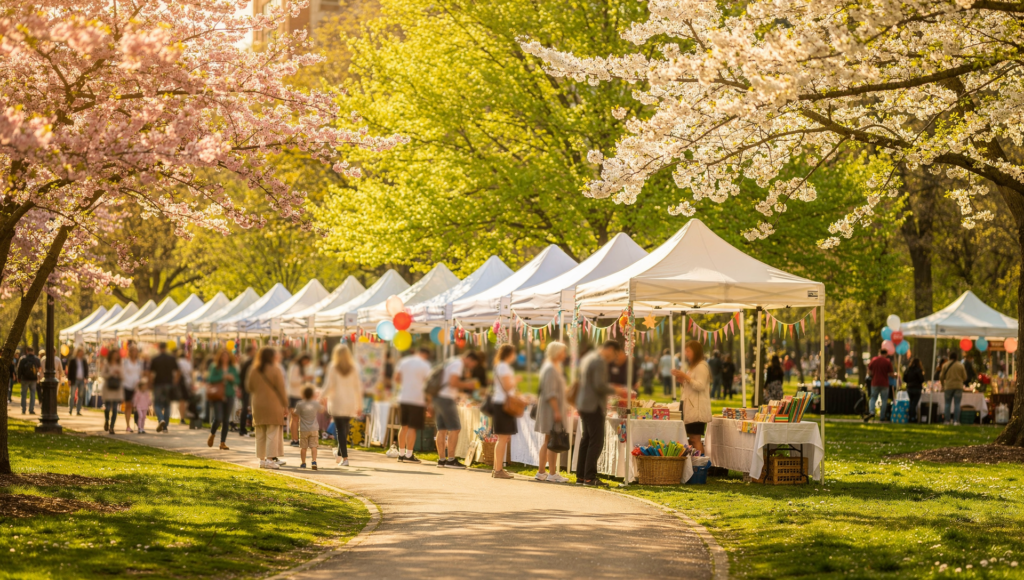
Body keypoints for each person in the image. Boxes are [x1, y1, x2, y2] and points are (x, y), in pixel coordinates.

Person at [575, 341, 627, 487]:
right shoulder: (599, 361)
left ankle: (581, 476)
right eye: (615, 354)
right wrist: (616, 390)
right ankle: (590, 477)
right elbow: (599, 385)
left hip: (584, 403)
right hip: (593, 405)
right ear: (610, 349)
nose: (614, 359)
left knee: (586, 439)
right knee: (596, 441)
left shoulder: (588, 357)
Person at [433, 351, 481, 469]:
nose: (471, 367)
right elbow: (453, 382)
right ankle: (451, 460)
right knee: (455, 428)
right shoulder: (458, 364)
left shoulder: (452, 361)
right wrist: (468, 385)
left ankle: (442, 460)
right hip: (446, 399)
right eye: (473, 364)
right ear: (470, 359)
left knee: (442, 429)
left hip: (438, 397)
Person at [321, 344, 362, 467]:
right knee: (344, 429)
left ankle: (345, 458)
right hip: (349, 402)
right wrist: (359, 405)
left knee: (340, 431)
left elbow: (329, 385)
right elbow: (357, 388)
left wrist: (321, 396)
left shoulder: (333, 367)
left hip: (337, 402)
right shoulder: (354, 368)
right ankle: (339, 455)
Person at [248, 347, 288, 469]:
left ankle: (261, 460)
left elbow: (249, 386)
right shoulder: (275, 369)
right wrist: (285, 405)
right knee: (272, 432)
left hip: (258, 404)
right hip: (273, 404)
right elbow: (281, 388)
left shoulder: (254, 370)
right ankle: (270, 459)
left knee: (260, 432)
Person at [534, 341, 569, 483]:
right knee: (551, 439)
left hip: (550, 407)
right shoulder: (550, 368)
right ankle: (552, 473)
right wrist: (556, 411)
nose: (565, 355)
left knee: (548, 439)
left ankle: (542, 471)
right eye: (563, 352)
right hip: (550, 408)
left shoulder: (553, 367)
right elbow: (550, 392)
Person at [671, 340, 713, 454]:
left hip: (696, 410)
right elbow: (690, 386)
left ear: (695, 352)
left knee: (695, 439)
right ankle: (695, 464)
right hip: (689, 406)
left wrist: (685, 376)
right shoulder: (693, 367)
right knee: (690, 439)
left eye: (688, 351)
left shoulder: (701, 367)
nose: (686, 353)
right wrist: (682, 380)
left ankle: (702, 465)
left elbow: (700, 386)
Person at [394, 347, 432, 463]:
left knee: (404, 426)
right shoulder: (425, 365)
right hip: (417, 399)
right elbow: (428, 384)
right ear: (426, 355)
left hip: (403, 397)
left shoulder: (404, 361)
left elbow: (397, 378)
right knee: (412, 427)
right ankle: (409, 454)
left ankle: (400, 454)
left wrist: (406, 386)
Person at [490, 344, 520, 480]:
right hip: (503, 405)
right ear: (509, 354)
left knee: (503, 437)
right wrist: (516, 380)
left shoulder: (500, 366)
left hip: (501, 403)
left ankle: (497, 468)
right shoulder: (503, 366)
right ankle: (498, 469)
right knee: (503, 438)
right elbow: (508, 386)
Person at [206, 348, 239, 450]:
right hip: (218, 395)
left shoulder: (232, 368)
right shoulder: (214, 367)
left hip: (229, 394)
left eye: (227, 356)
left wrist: (232, 378)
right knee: (218, 417)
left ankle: (222, 442)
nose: (225, 358)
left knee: (226, 420)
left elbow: (238, 380)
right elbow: (210, 379)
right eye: (223, 356)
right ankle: (212, 434)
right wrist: (223, 376)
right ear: (220, 357)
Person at [148, 342, 180, 433]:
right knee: (167, 405)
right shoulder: (171, 358)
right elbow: (178, 371)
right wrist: (175, 381)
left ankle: (161, 419)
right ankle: (165, 426)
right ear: (166, 348)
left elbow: (150, 373)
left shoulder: (155, 359)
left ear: (159, 348)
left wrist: (151, 382)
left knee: (157, 404)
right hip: (169, 384)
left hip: (158, 383)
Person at [287, 353, 314, 447]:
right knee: (295, 418)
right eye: (307, 361)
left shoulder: (300, 367)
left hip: (298, 395)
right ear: (304, 360)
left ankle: (296, 438)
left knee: (296, 418)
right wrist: (305, 378)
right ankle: (294, 439)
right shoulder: (295, 367)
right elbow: (292, 381)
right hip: (294, 395)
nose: (307, 363)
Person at [295, 386, 322, 470]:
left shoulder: (300, 404)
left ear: (303, 394)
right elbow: (321, 410)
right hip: (314, 428)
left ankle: (303, 463)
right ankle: (314, 461)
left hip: (303, 429)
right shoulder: (316, 403)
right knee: (314, 446)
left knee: (303, 447)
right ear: (312, 395)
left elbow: (296, 413)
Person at [867, 348, 894, 422]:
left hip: (875, 382)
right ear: (886, 354)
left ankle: (872, 411)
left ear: (879, 353)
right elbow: (891, 374)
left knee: (873, 398)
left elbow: (869, 372)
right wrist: (895, 375)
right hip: (884, 383)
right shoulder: (887, 361)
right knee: (884, 400)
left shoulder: (874, 360)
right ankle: (882, 416)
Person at [121, 345, 144, 433]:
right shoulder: (126, 362)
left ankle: (139, 424)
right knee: (128, 405)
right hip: (127, 385)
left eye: (136, 351)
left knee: (138, 405)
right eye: (133, 351)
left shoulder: (139, 362)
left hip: (137, 386)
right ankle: (128, 425)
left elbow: (140, 373)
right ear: (130, 352)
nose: (135, 352)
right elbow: (123, 373)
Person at [101, 350, 124, 435]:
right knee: (107, 408)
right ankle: (107, 420)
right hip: (108, 388)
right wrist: (111, 373)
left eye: (116, 355)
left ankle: (112, 427)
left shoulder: (120, 365)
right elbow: (103, 374)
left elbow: (123, 377)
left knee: (115, 409)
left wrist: (119, 373)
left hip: (116, 389)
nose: (115, 356)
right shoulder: (107, 364)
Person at [939, 356, 967, 425]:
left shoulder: (945, 365)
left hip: (948, 386)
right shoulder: (961, 365)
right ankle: (956, 421)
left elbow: (941, 376)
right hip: (958, 386)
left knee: (947, 404)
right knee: (957, 404)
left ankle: (947, 420)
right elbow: (965, 377)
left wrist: (943, 385)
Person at [238, 345, 257, 437]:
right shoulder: (249, 361)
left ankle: (245, 428)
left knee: (246, 408)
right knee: (247, 408)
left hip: (245, 387)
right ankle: (245, 428)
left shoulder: (244, 359)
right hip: (248, 387)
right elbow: (242, 375)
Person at [17, 347, 40, 415]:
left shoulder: (23, 359)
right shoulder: (36, 359)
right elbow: (40, 369)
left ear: (27, 351)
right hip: (33, 379)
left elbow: (19, 369)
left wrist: (19, 377)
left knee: (23, 394)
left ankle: (23, 409)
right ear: (33, 351)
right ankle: (31, 409)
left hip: (25, 378)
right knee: (32, 394)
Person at [903, 357, 926, 422]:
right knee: (914, 404)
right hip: (917, 388)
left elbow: (904, 378)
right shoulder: (919, 370)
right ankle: (912, 417)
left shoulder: (908, 370)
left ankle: (911, 416)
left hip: (909, 388)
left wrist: (909, 382)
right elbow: (922, 379)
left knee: (911, 403)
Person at [176, 349, 194, 426]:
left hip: (181, 383)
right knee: (186, 401)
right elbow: (191, 373)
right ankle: (184, 416)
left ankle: (182, 418)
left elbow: (177, 372)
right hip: (188, 383)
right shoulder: (188, 362)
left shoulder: (178, 362)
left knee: (181, 401)